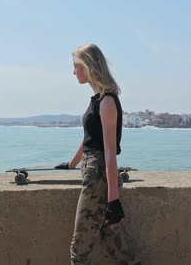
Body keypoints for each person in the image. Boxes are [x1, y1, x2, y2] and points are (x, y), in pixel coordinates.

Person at [55, 44, 138, 265]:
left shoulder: (107, 101)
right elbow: (90, 139)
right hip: (93, 170)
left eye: (76, 66)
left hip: (98, 175)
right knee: (112, 241)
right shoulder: (97, 100)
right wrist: (72, 164)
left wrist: (113, 201)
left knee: (80, 247)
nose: (73, 72)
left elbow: (109, 152)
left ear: (88, 67)